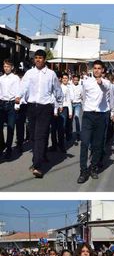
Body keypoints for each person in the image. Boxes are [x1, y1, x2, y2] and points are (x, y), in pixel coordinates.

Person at [16, 49, 64, 178]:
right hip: (31, 108)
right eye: (36, 57)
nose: (38, 60)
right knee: (33, 135)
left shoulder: (51, 74)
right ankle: (41, 155)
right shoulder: (29, 73)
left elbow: (57, 90)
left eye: (40, 58)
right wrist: (18, 96)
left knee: (40, 136)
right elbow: (23, 86)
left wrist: (60, 104)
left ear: (44, 60)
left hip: (45, 108)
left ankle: (37, 166)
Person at [77, 60, 114, 184]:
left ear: (103, 70)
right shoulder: (86, 82)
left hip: (102, 115)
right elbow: (83, 97)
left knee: (98, 145)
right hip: (88, 115)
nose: (97, 70)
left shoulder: (107, 83)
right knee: (84, 142)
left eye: (99, 68)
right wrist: (86, 109)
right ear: (92, 69)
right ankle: (83, 170)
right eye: (95, 68)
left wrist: (113, 112)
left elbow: (111, 99)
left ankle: (93, 167)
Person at [0, 59, 20, 160]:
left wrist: (17, 106)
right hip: (1, 104)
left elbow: (18, 92)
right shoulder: (1, 78)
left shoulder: (16, 78)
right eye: (4, 66)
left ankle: (8, 149)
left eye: (8, 66)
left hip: (12, 105)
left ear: (11, 67)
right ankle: (2, 144)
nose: (6, 68)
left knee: (10, 128)